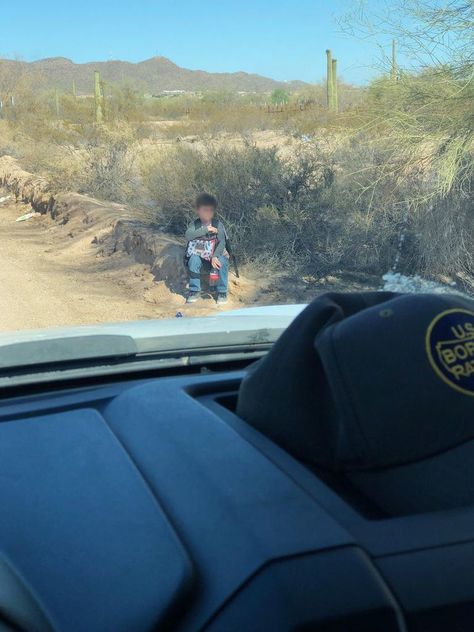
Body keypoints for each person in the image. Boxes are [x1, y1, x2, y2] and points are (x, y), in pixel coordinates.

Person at [185, 193, 229, 305]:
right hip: (201, 258)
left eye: (210, 210)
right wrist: (205, 230)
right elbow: (188, 236)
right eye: (205, 210)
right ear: (198, 210)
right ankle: (194, 291)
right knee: (193, 260)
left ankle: (222, 292)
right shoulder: (195, 224)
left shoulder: (218, 224)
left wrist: (214, 256)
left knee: (222, 261)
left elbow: (222, 242)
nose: (207, 213)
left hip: (214, 256)